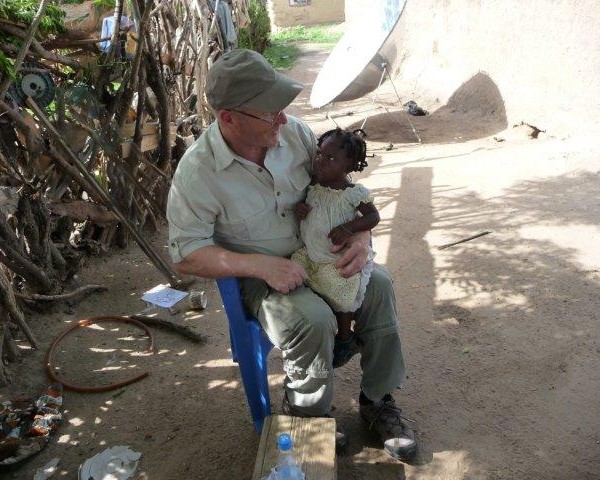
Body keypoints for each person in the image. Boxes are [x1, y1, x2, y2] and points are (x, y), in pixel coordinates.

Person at [166, 48, 417, 461]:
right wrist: (261, 265)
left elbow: (343, 191)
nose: (283, 119)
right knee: (311, 319)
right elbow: (186, 254)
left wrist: (361, 240)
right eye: (269, 113)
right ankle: (307, 417)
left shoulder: (296, 135)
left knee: (381, 286)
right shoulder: (198, 173)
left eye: (282, 108)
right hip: (261, 277)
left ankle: (377, 400)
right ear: (228, 117)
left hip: (318, 257)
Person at [291, 128, 379, 369]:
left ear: (348, 166)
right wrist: (301, 211)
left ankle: (344, 337)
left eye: (331, 158)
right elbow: (309, 212)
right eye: (319, 153)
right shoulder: (313, 187)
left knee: (342, 289)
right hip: (311, 253)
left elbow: (373, 217)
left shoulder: (353, 194)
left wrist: (350, 228)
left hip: (336, 258)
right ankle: (319, 330)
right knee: (297, 277)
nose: (320, 160)